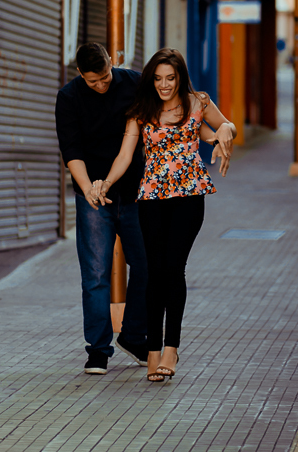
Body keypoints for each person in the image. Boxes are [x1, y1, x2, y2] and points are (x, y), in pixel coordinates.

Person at [97, 48, 236, 383]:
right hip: (152, 199)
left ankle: (171, 348)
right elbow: (125, 155)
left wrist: (226, 131)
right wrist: (106, 182)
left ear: (179, 78)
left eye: (170, 78)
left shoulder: (197, 102)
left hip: (189, 197)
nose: (164, 85)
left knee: (174, 269)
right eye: (158, 78)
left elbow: (223, 124)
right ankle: (153, 350)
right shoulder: (142, 110)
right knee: (154, 271)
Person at [54, 43, 150, 375]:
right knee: (95, 275)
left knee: (147, 266)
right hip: (93, 195)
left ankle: (135, 336)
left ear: (112, 60)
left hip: (136, 192)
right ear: (80, 74)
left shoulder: (135, 83)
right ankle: (98, 350)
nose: (102, 85)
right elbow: (72, 151)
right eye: (93, 81)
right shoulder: (68, 98)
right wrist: (88, 190)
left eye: (106, 76)